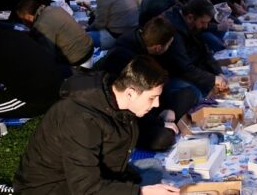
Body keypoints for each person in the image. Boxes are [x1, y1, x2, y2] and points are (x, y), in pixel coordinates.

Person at [13, 56, 180, 195]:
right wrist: (141, 192)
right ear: (130, 93)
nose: (157, 104)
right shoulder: (80, 119)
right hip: (52, 188)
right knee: (151, 182)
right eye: (152, 98)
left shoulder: (116, 98)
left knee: (154, 169)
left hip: (95, 174)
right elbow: (85, 188)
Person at [104, 17, 180, 151]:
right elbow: (131, 105)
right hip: (126, 114)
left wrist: (166, 108)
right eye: (168, 45)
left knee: (186, 95)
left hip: (139, 107)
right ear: (158, 47)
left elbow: (158, 85)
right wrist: (159, 122)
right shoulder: (125, 59)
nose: (169, 48)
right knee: (162, 138)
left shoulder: (140, 46)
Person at [157, 0, 227, 112]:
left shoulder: (190, 26)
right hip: (173, 75)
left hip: (190, 67)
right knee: (197, 94)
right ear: (190, 17)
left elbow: (205, 52)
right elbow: (183, 68)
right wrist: (213, 79)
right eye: (203, 22)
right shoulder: (173, 32)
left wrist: (218, 72)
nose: (205, 27)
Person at [15, 0, 94, 66]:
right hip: (88, 47)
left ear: (28, 17)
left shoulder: (41, 25)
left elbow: (48, 56)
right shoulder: (54, 9)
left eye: (22, 19)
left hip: (78, 58)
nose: (23, 22)